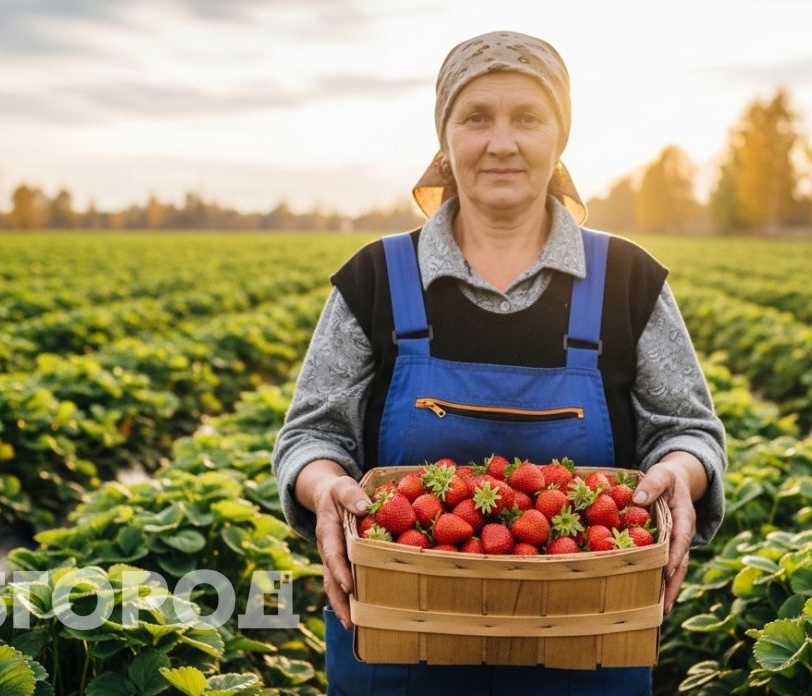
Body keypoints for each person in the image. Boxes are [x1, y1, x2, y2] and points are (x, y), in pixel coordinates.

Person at [271, 30, 727, 696]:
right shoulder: (378, 277)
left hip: (585, 648)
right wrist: (323, 487)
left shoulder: (625, 280)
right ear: (445, 138)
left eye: (528, 118)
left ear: (559, 137)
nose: (502, 142)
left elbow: (687, 430)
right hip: (400, 654)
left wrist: (680, 474)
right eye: (476, 117)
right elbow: (312, 434)